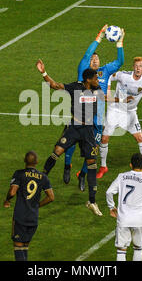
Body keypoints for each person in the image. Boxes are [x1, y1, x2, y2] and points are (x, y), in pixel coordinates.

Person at [36, 60, 104, 216]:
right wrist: (43, 73)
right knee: (56, 151)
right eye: (95, 78)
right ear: (88, 80)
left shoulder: (97, 89)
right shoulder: (75, 87)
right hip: (74, 127)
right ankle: (41, 181)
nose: (97, 81)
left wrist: (121, 101)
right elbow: (55, 86)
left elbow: (104, 98)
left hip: (88, 131)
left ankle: (92, 202)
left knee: (91, 163)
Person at [63, 25, 125, 188]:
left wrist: (120, 42)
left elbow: (120, 62)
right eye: (92, 59)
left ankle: (82, 175)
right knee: (70, 143)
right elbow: (86, 54)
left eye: (96, 59)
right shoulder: (83, 72)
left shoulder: (105, 71)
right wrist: (100, 36)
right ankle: (67, 166)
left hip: (97, 119)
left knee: (93, 150)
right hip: (80, 115)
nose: (95, 60)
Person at [98, 57, 142, 179]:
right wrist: (108, 89)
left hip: (130, 113)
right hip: (115, 110)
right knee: (104, 138)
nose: (138, 68)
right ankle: (103, 166)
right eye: (136, 66)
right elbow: (108, 76)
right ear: (133, 67)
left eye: (140, 66)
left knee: (140, 138)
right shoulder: (123, 75)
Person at [106, 153, 142, 261]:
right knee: (138, 248)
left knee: (121, 250)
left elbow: (109, 192)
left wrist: (111, 207)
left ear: (130, 165)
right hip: (139, 221)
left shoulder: (121, 176)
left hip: (123, 220)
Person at [4, 151, 54, 261]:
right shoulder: (43, 177)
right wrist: (37, 205)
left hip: (20, 217)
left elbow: (12, 192)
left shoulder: (19, 174)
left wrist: (7, 200)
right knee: (25, 247)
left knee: (18, 247)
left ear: (25, 161)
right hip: (33, 218)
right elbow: (51, 197)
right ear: (36, 162)